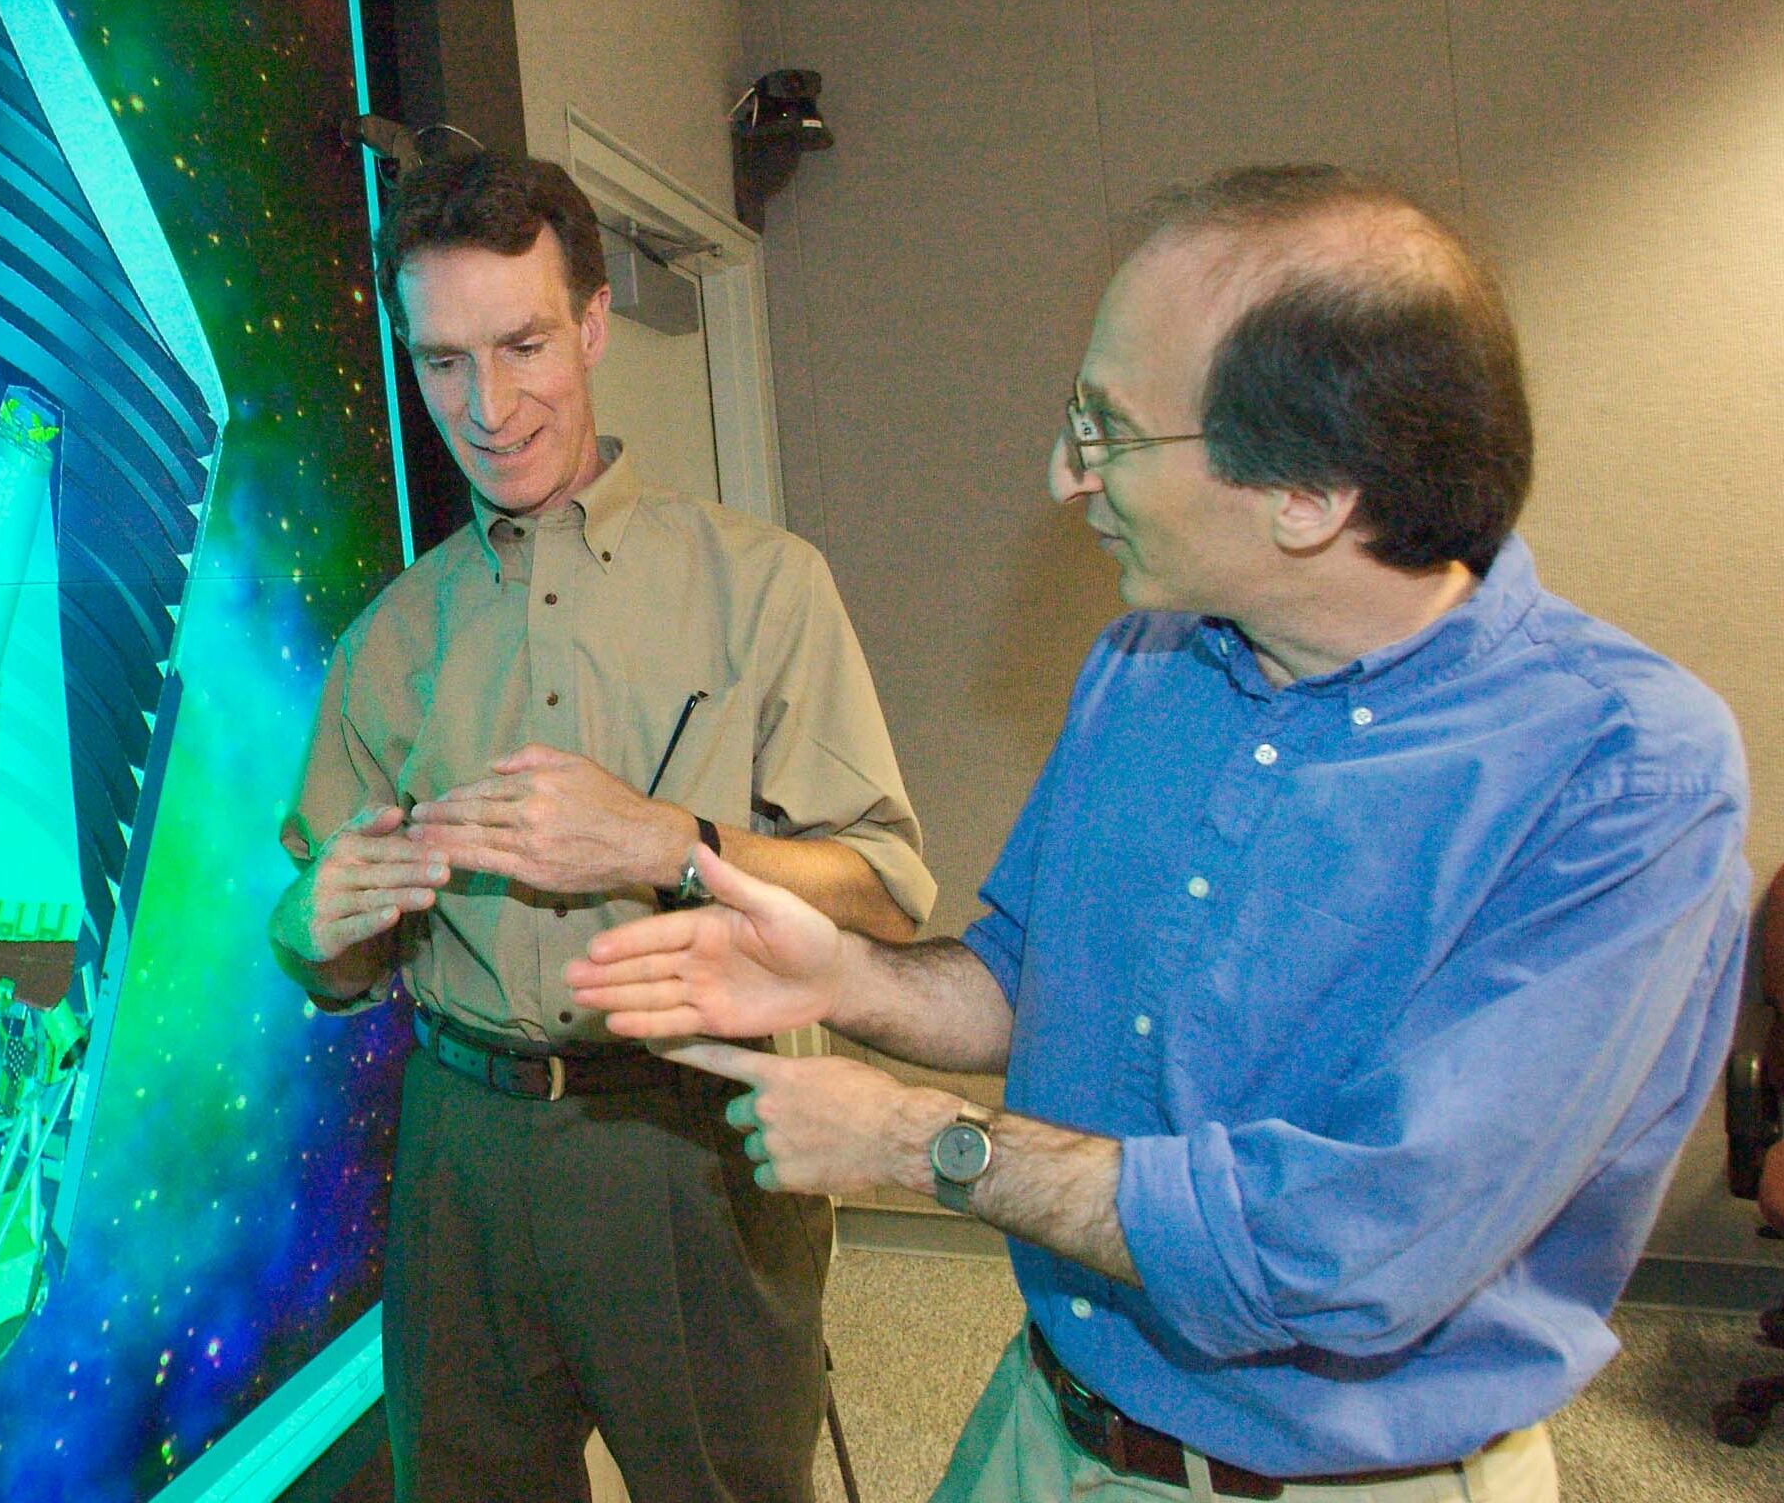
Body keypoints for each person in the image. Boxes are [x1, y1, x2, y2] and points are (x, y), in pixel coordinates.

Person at [568, 165, 1750, 1503]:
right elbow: (1029, 978)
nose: (1064, 476)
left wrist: (922, 1145)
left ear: (1308, 494)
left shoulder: (1622, 771)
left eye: (1109, 429)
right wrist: (843, 976)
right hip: (1047, 1420)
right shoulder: (1144, 663)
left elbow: (1352, 1251)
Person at [269, 150, 935, 1503]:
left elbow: (883, 891)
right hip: (462, 1151)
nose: (487, 406)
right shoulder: (388, 639)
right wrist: (315, 929)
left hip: (688, 1137)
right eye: (443, 361)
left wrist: (666, 843)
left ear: (590, 325)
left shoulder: (764, 587)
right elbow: (330, 958)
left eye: (522, 345)